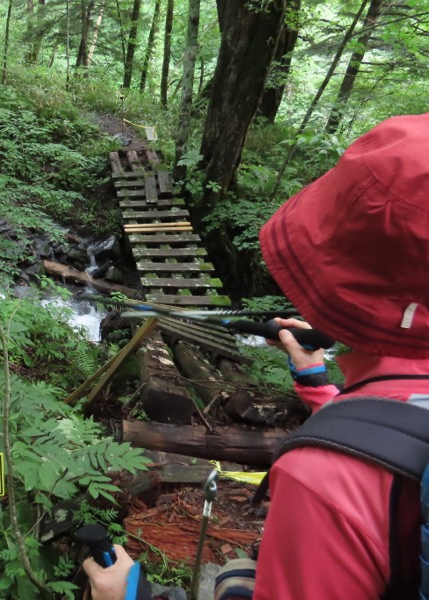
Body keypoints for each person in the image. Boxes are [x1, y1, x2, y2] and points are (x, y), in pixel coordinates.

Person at [84, 112, 429, 599]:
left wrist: (135, 597)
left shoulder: (323, 483)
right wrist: (317, 383)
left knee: (233, 580)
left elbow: (371, 466)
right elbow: (401, 433)